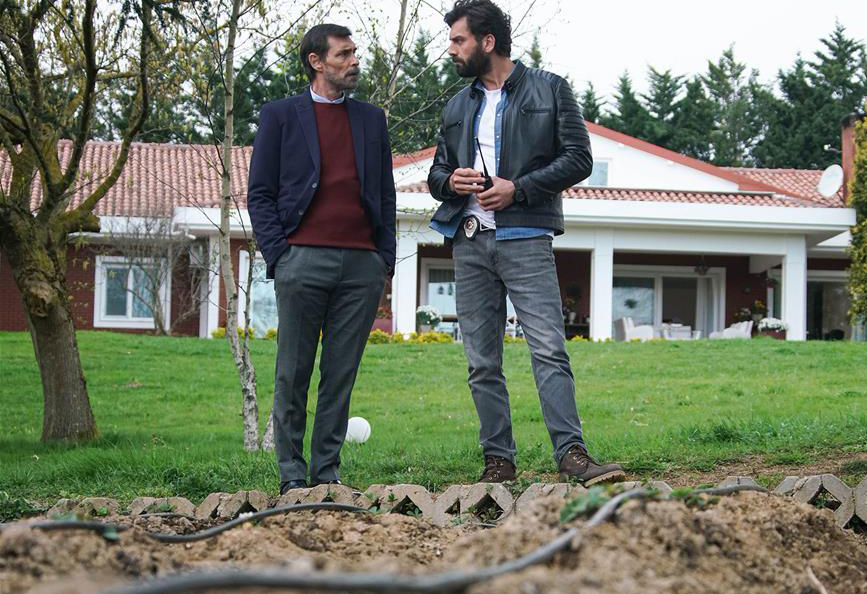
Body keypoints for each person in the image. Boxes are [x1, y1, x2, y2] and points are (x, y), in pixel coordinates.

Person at [428, 0, 624, 486]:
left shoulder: (550, 88)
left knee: (549, 349)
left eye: (458, 40)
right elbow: (436, 174)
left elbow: (578, 159)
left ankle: (572, 455)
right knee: (481, 362)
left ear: (487, 41)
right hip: (469, 241)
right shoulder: (456, 106)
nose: (451, 50)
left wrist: (518, 189)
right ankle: (498, 461)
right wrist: (450, 181)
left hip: (526, 238)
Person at [247, 24, 396, 494]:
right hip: (301, 260)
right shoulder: (280, 116)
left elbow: (385, 194)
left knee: (340, 375)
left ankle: (327, 472)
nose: (354, 62)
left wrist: (383, 260)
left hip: (362, 265)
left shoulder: (371, 120)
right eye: (343, 54)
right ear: (316, 62)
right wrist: (280, 254)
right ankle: (291, 475)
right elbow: (260, 194)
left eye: (355, 53)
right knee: (292, 372)